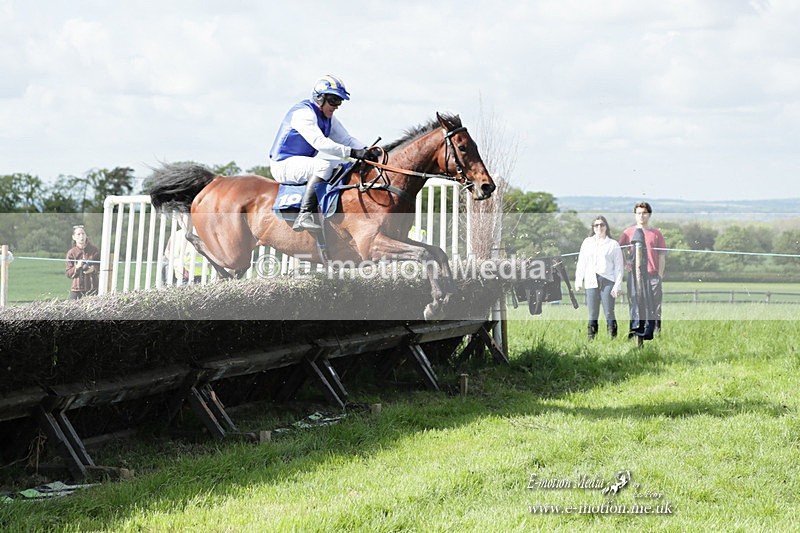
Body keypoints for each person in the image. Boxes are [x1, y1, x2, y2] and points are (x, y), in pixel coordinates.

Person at [268, 74, 379, 232]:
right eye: (333, 100)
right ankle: (304, 215)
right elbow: (320, 143)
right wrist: (354, 152)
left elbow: (346, 140)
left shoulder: (328, 118)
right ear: (319, 98)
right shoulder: (303, 114)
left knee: (346, 166)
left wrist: (369, 151)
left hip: (300, 162)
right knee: (323, 166)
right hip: (283, 164)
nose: (336, 106)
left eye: (339, 101)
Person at [618, 201, 666, 335]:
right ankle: (635, 331)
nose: (641, 216)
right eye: (639, 213)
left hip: (652, 275)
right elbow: (618, 249)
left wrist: (660, 275)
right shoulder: (628, 232)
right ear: (635, 215)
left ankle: (656, 332)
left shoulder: (656, 233)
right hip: (635, 275)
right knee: (635, 303)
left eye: (644, 213)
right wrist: (625, 264)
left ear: (649, 215)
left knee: (655, 305)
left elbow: (662, 256)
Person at [574, 215, 624, 340]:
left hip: (608, 281)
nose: (599, 227)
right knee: (592, 313)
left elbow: (619, 267)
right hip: (591, 281)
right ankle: (591, 339)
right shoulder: (587, 242)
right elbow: (582, 262)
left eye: (602, 225)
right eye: (596, 225)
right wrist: (578, 280)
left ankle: (612, 339)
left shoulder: (613, 244)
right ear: (593, 227)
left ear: (606, 227)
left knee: (609, 312)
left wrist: (617, 285)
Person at [65, 225, 100, 299]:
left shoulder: (94, 250)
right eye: (78, 234)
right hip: (76, 289)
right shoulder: (71, 253)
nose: (81, 236)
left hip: (93, 288)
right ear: (73, 237)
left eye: (83, 234)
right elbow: (68, 273)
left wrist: (93, 269)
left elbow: (102, 266)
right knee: (72, 305)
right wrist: (77, 267)